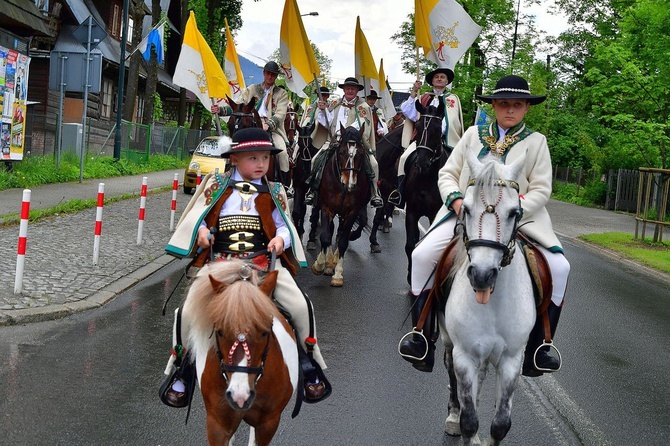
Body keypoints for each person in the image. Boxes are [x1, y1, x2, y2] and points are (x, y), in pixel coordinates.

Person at [398, 75, 570, 376]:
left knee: (560, 267)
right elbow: (447, 174)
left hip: (520, 219)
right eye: (504, 104)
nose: (510, 110)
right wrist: (455, 201)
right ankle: (422, 335)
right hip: (466, 214)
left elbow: (542, 189)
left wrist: (514, 211)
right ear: (493, 105)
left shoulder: (536, 142)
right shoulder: (473, 135)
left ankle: (540, 346)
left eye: (517, 105)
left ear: (526, 108)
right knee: (422, 255)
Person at [161, 127, 330, 407]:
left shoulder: (275, 190)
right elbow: (197, 217)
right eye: (253, 158)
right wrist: (202, 233)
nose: (261, 164)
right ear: (235, 159)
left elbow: (285, 227)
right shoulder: (216, 185)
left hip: (262, 264)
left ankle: (309, 363)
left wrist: (280, 239)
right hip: (221, 263)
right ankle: (183, 370)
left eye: (265, 157)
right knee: (187, 312)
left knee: (302, 306)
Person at [211, 61, 293, 196]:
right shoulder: (252, 89)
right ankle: (226, 179)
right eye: (268, 73)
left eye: (273, 74)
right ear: (264, 73)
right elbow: (237, 106)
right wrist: (220, 110)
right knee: (232, 149)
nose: (270, 76)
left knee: (283, 153)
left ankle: (284, 188)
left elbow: (281, 114)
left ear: (276, 76)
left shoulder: (281, 93)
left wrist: (268, 125)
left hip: (272, 130)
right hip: (248, 125)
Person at [388, 68, 464, 208]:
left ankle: (457, 197)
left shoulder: (452, 99)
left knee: (459, 165)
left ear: (447, 81)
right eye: (437, 77)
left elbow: (452, 121)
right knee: (404, 157)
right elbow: (408, 111)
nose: (439, 79)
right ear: (432, 81)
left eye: (442, 77)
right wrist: (413, 91)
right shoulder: (423, 97)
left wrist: (439, 131)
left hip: (443, 140)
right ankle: (399, 192)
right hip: (422, 140)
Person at [304, 77, 383, 208]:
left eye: (353, 88)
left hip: (354, 142)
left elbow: (363, 125)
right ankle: (312, 190)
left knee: (373, 163)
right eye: (348, 88)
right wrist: (323, 111)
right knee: (315, 161)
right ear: (344, 89)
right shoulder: (335, 103)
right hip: (334, 140)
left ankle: (375, 194)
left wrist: (348, 133)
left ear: (357, 90)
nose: (350, 90)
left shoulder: (363, 106)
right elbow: (326, 122)